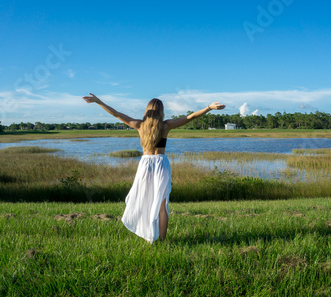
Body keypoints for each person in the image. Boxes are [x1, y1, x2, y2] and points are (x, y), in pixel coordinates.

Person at [82, 93, 225, 244]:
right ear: (161, 111)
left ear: (147, 110)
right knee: (162, 205)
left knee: (145, 199)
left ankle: (149, 235)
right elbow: (191, 117)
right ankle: (161, 240)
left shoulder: (139, 125)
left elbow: (116, 114)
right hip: (161, 163)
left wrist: (98, 101)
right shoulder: (166, 126)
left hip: (145, 164)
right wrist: (209, 107)